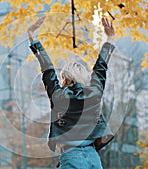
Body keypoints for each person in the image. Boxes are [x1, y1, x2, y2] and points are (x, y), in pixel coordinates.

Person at [28, 16, 115, 169]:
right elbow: (101, 66)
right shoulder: (94, 92)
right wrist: (110, 37)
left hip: (71, 155)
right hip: (93, 157)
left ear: (65, 79)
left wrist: (32, 37)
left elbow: (47, 68)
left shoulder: (59, 96)